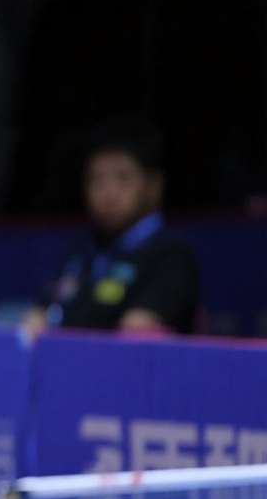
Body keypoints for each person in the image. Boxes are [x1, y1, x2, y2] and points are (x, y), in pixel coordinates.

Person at [20, 114, 200, 336]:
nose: (108, 193)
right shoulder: (83, 250)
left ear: (154, 186)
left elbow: (136, 335)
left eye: (122, 178)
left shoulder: (171, 255)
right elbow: (38, 318)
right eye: (96, 179)